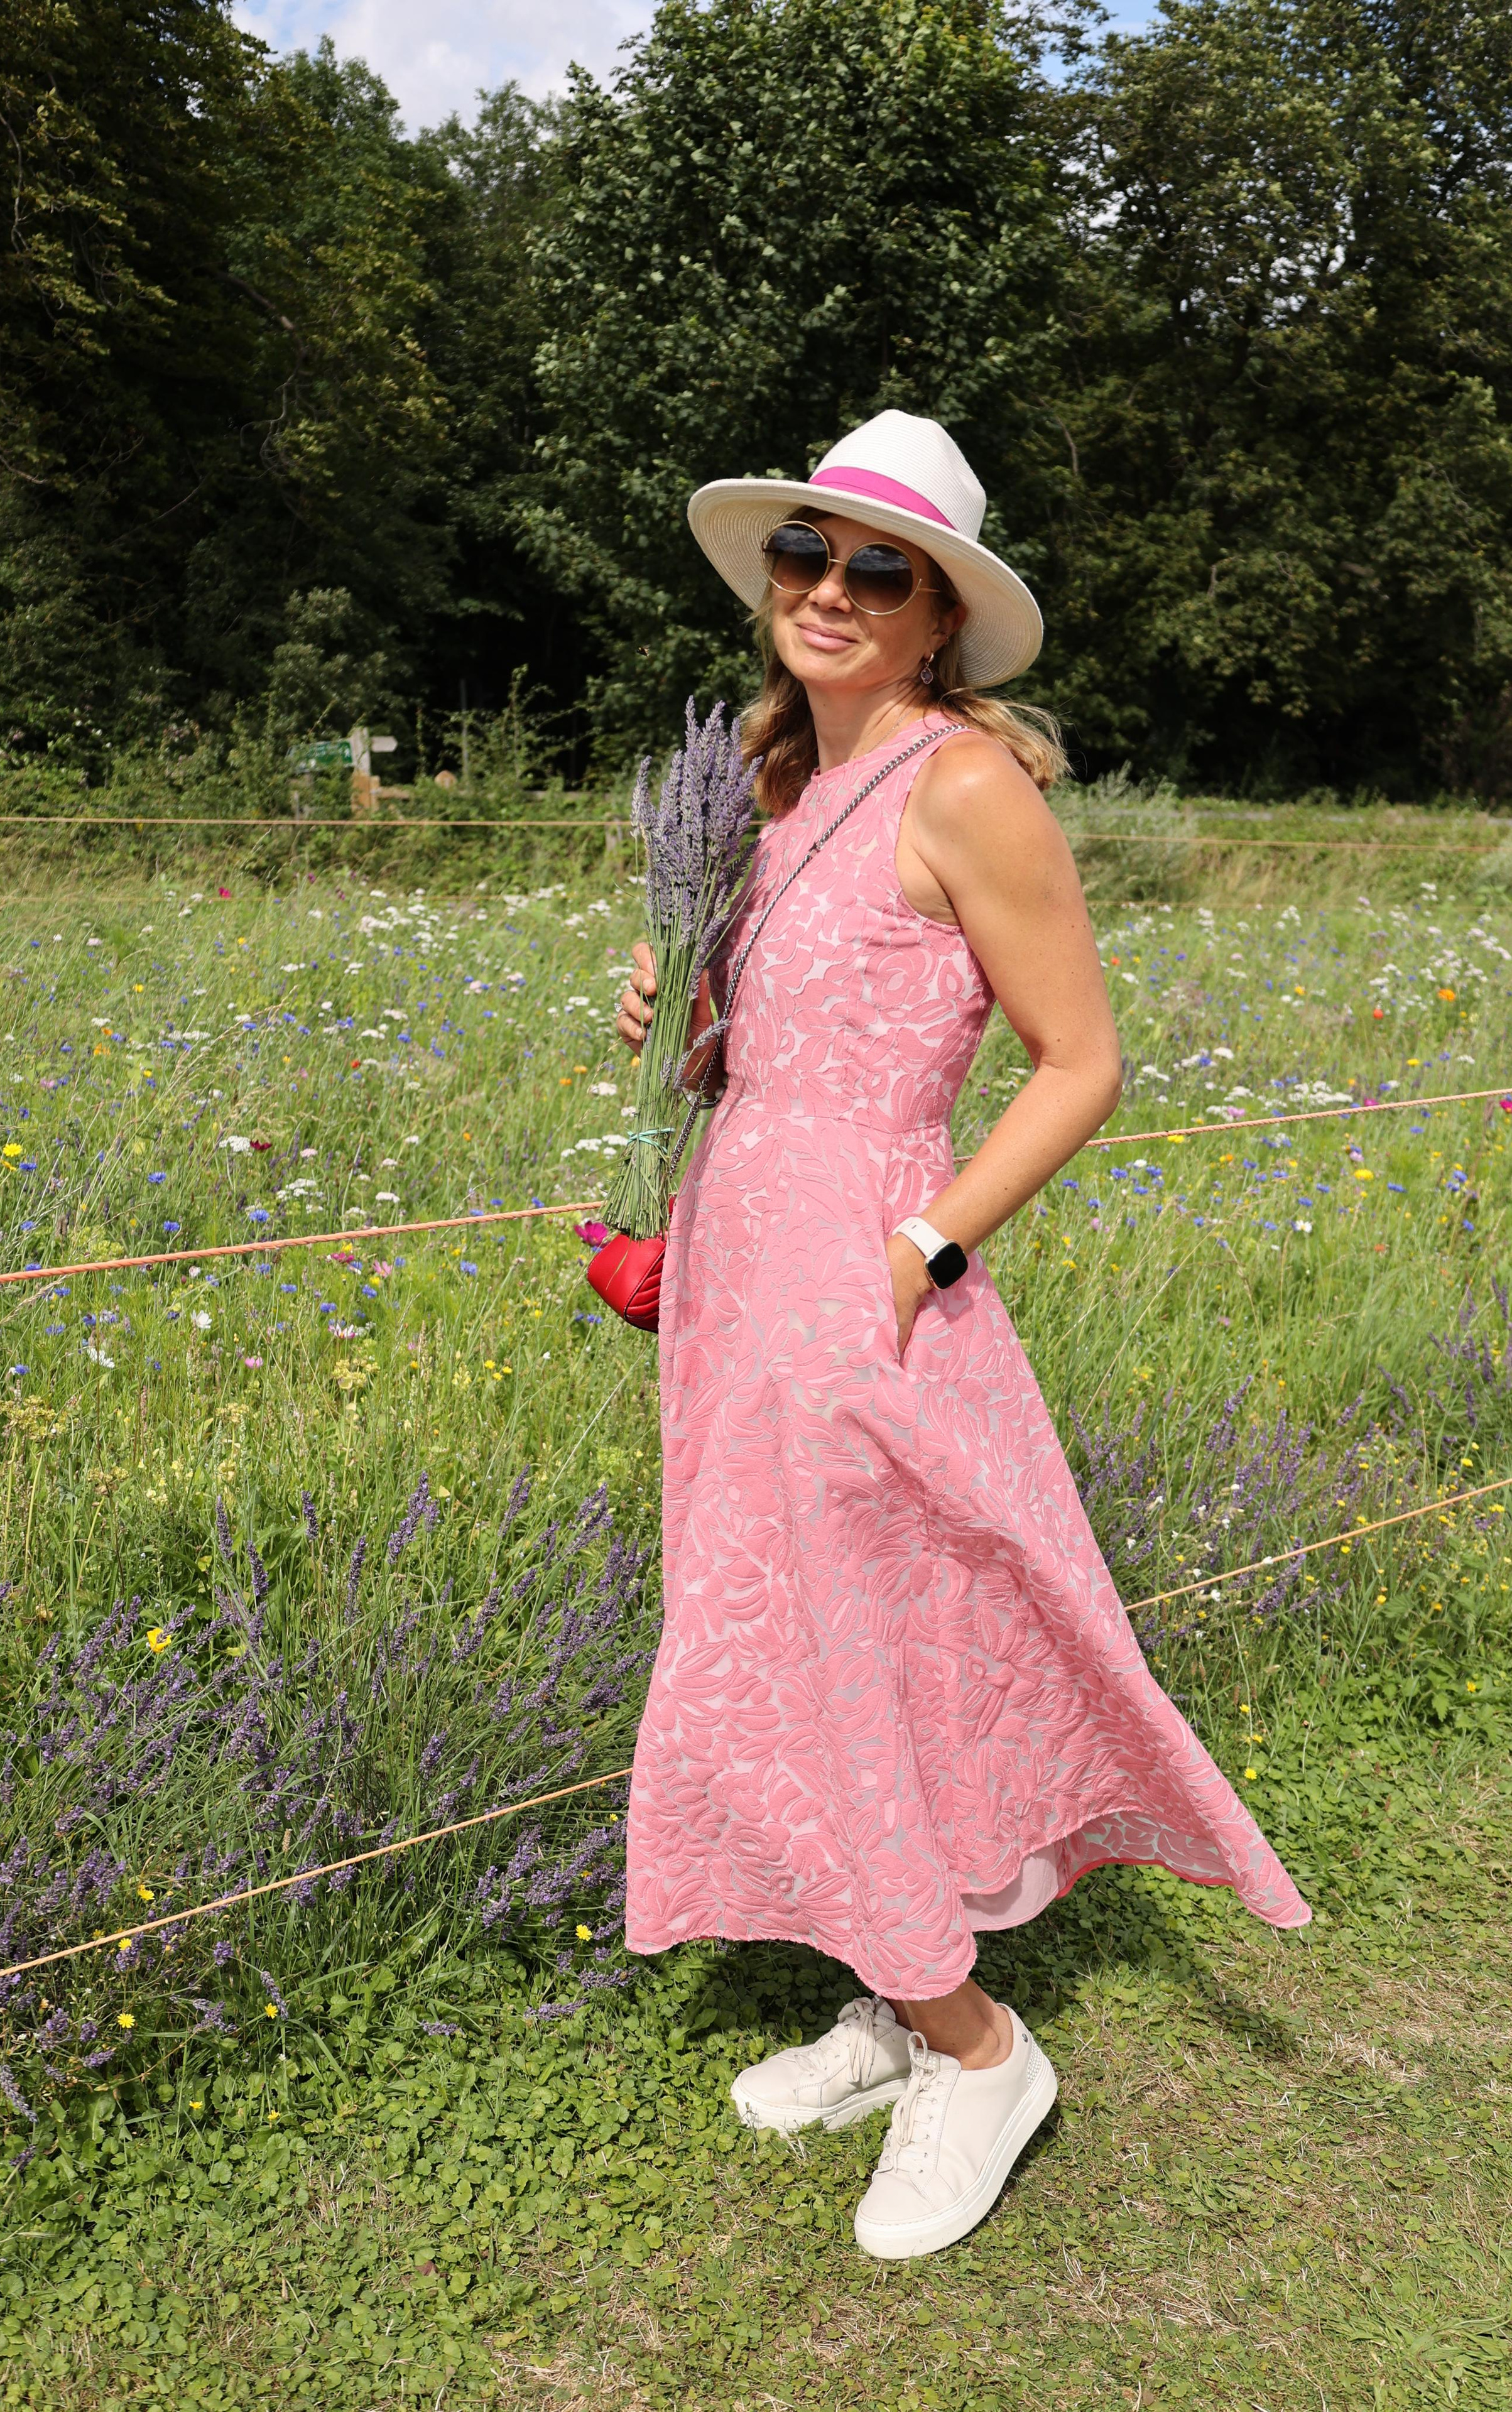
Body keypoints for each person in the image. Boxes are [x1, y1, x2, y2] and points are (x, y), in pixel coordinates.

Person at [614, 411, 1308, 2263]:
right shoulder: (769, 787)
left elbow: (1080, 1063)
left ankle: (976, 2048)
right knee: (822, 1645)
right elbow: (771, 1060)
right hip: (738, 1273)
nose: (829, 592)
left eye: (877, 571)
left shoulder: (969, 785)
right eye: (807, 558)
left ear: (941, 620)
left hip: (865, 1286)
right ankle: (887, 1984)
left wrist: (924, 1242)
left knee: (831, 1657)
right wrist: (680, 1031)